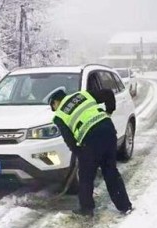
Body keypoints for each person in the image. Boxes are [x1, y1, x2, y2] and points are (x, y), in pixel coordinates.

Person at [48, 88, 132, 216]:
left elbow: (69, 139)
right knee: (111, 171)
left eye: (53, 106)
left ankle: (86, 209)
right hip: (109, 131)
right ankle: (125, 206)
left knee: (86, 176)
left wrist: (79, 153)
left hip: (91, 140)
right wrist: (108, 111)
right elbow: (108, 93)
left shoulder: (59, 116)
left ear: (56, 102)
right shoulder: (83, 95)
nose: (54, 109)